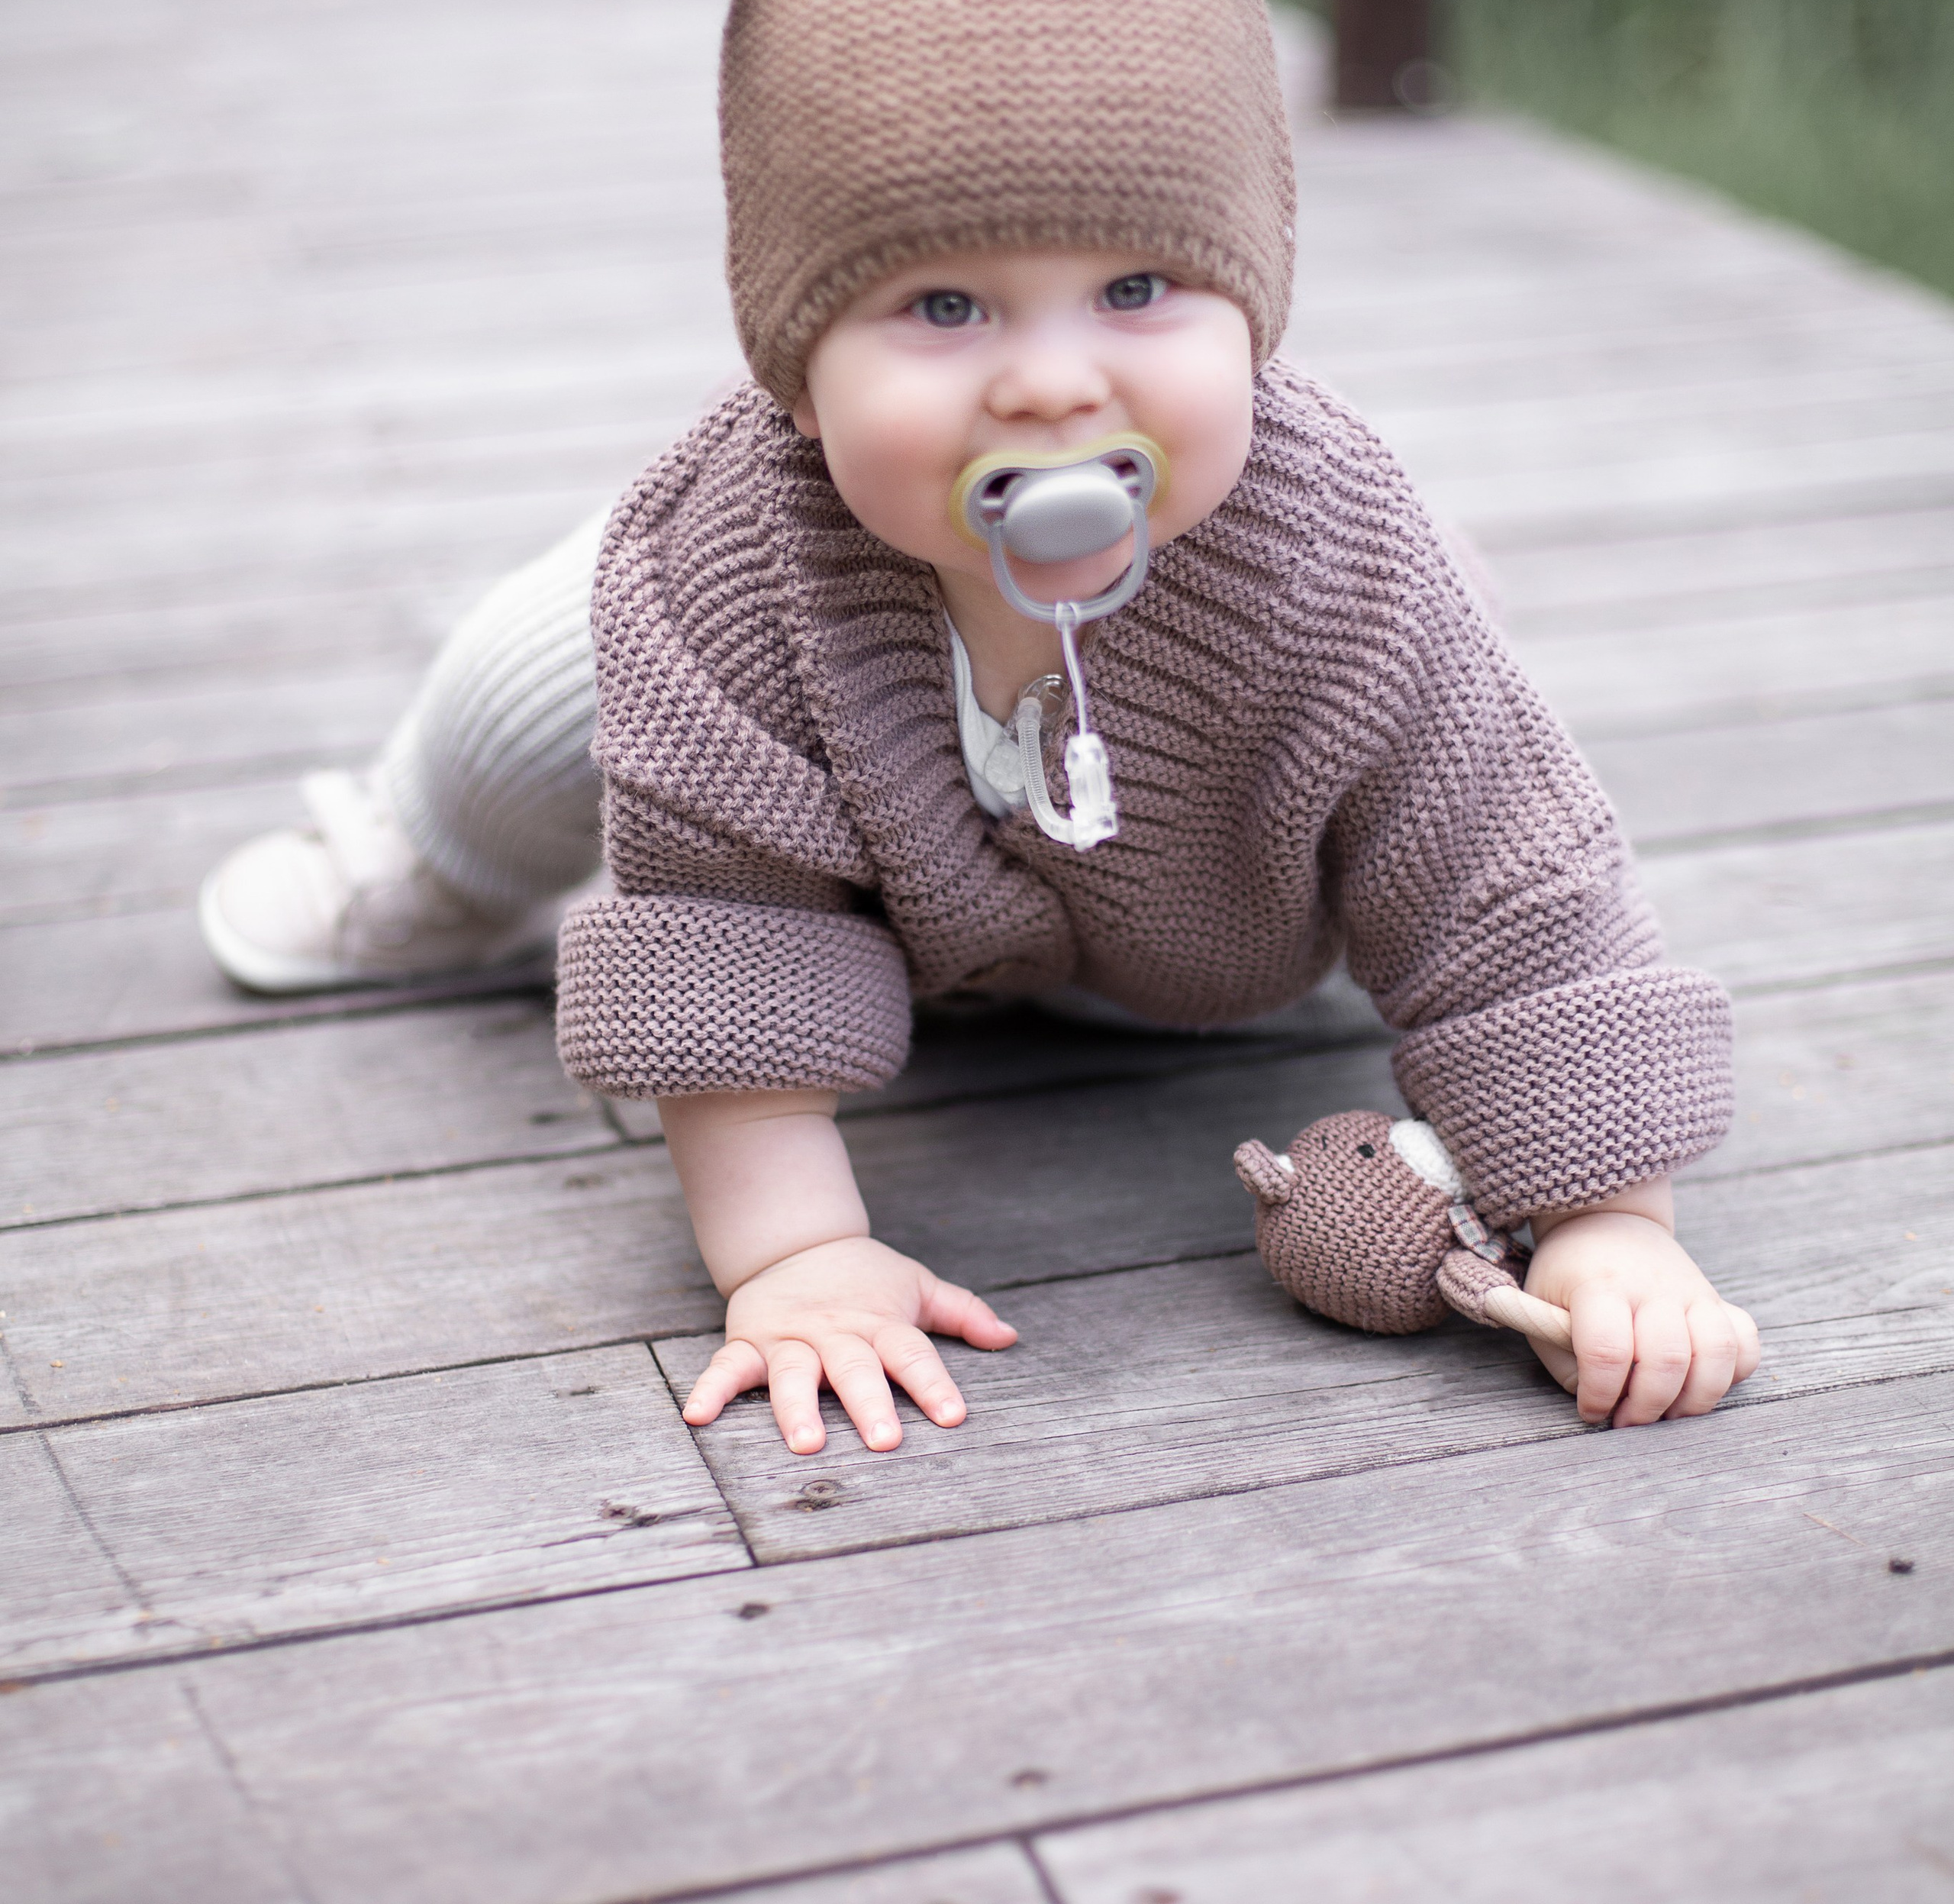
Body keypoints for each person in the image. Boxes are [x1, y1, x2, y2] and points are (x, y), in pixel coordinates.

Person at [202, 0, 1760, 1455]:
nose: (1053, 379)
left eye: (1136, 289)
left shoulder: (1343, 565)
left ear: (1254, 314)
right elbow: (715, 926)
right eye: (943, 304)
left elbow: (1516, 892)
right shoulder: (730, 563)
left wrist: (1607, 1219)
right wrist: (799, 1252)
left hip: (1208, 929)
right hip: (872, 876)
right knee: (549, 663)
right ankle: (423, 847)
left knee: (1438, 744)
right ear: (794, 369)